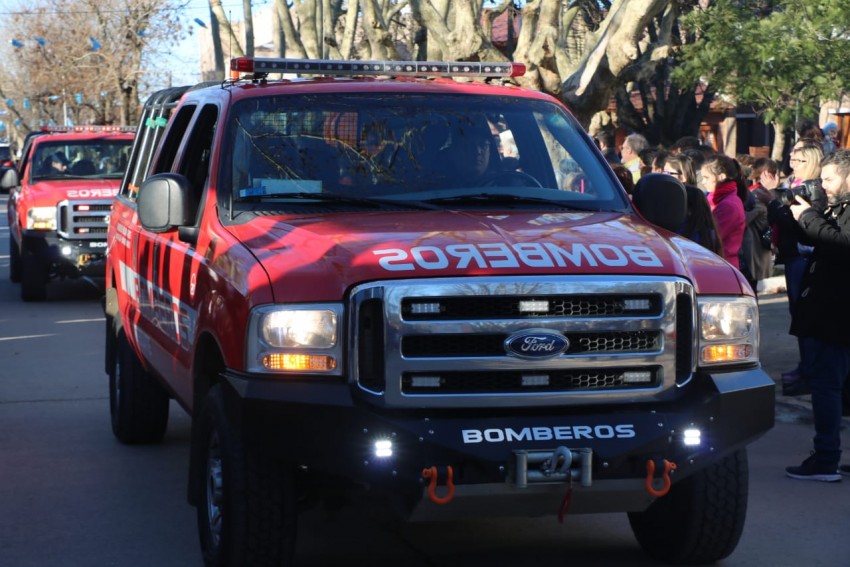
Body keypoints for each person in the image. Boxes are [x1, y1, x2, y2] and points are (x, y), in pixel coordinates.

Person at [774, 149, 850, 482]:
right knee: (836, 385)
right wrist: (793, 216)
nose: (825, 185)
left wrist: (808, 216)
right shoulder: (839, 206)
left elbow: (841, 243)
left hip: (837, 313)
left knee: (826, 385)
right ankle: (827, 457)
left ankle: (825, 460)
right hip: (833, 310)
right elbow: (824, 239)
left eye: (830, 179)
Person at [755, 144, 827, 395]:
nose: (793, 164)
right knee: (799, 316)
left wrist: (773, 200)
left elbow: (795, 223)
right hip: (794, 256)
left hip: (804, 258)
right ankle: (805, 367)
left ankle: (810, 371)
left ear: (812, 162)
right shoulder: (797, 184)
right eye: (792, 159)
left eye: (798, 160)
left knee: (805, 317)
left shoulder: (814, 188)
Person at [701, 154, 745, 269]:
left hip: (722, 265)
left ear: (721, 177)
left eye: (706, 177)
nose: (703, 182)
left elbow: (711, 238)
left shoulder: (728, 206)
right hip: (715, 262)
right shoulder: (714, 199)